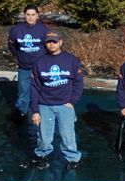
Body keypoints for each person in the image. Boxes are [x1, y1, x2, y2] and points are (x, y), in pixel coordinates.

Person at [29, 31, 84, 170]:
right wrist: (35, 110)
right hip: (45, 105)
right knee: (44, 136)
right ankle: (42, 156)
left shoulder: (71, 60)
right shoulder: (40, 62)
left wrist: (72, 101)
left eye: (54, 41)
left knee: (67, 135)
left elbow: (78, 83)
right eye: (49, 42)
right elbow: (34, 87)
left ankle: (73, 159)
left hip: (65, 105)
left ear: (60, 42)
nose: (51, 44)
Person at [8, 4, 49, 119]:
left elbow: (49, 46)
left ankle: (42, 111)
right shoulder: (17, 30)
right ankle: (21, 112)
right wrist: (18, 56)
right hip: (24, 66)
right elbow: (11, 45)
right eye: (28, 14)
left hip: (40, 67)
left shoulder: (43, 30)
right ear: (24, 15)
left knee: (42, 89)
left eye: (33, 15)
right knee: (23, 91)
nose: (30, 17)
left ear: (37, 16)